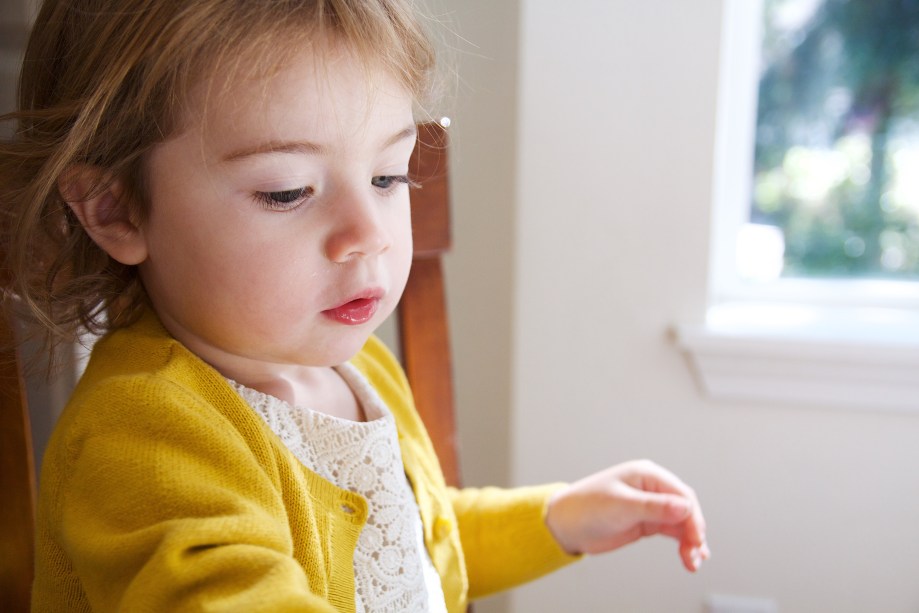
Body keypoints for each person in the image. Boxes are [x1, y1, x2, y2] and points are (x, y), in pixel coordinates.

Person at [0, 0, 709, 611]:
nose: (369, 233)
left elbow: (406, 545)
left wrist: (558, 517)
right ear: (115, 208)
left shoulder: (359, 369)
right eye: (287, 191)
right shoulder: (143, 438)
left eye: (387, 176)